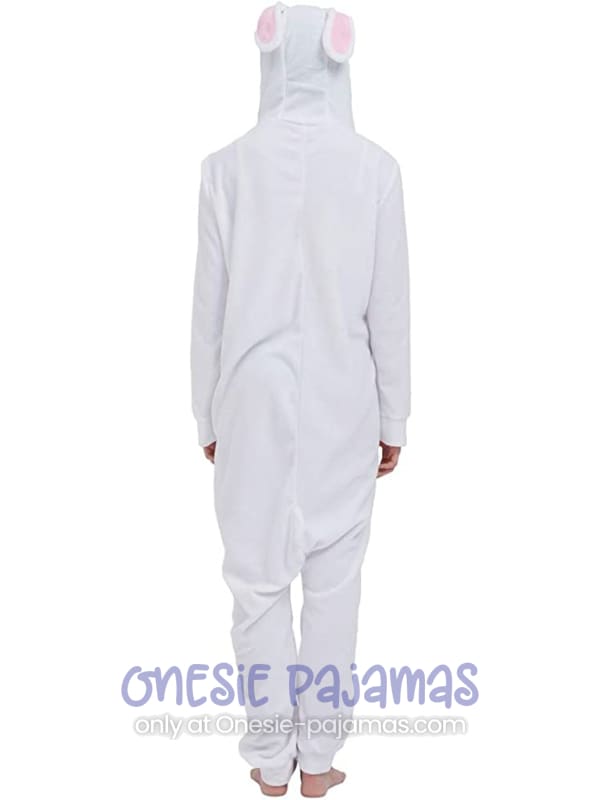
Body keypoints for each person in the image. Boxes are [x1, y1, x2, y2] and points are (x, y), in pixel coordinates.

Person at [191, 4, 410, 796]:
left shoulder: (226, 168)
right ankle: (318, 761)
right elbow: (389, 308)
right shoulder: (375, 170)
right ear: (341, 58)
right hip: (343, 406)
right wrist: (394, 416)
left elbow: (208, 309)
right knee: (333, 587)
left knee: (255, 587)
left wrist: (205, 412)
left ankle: (269, 760)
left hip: (248, 406)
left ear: (271, 56)